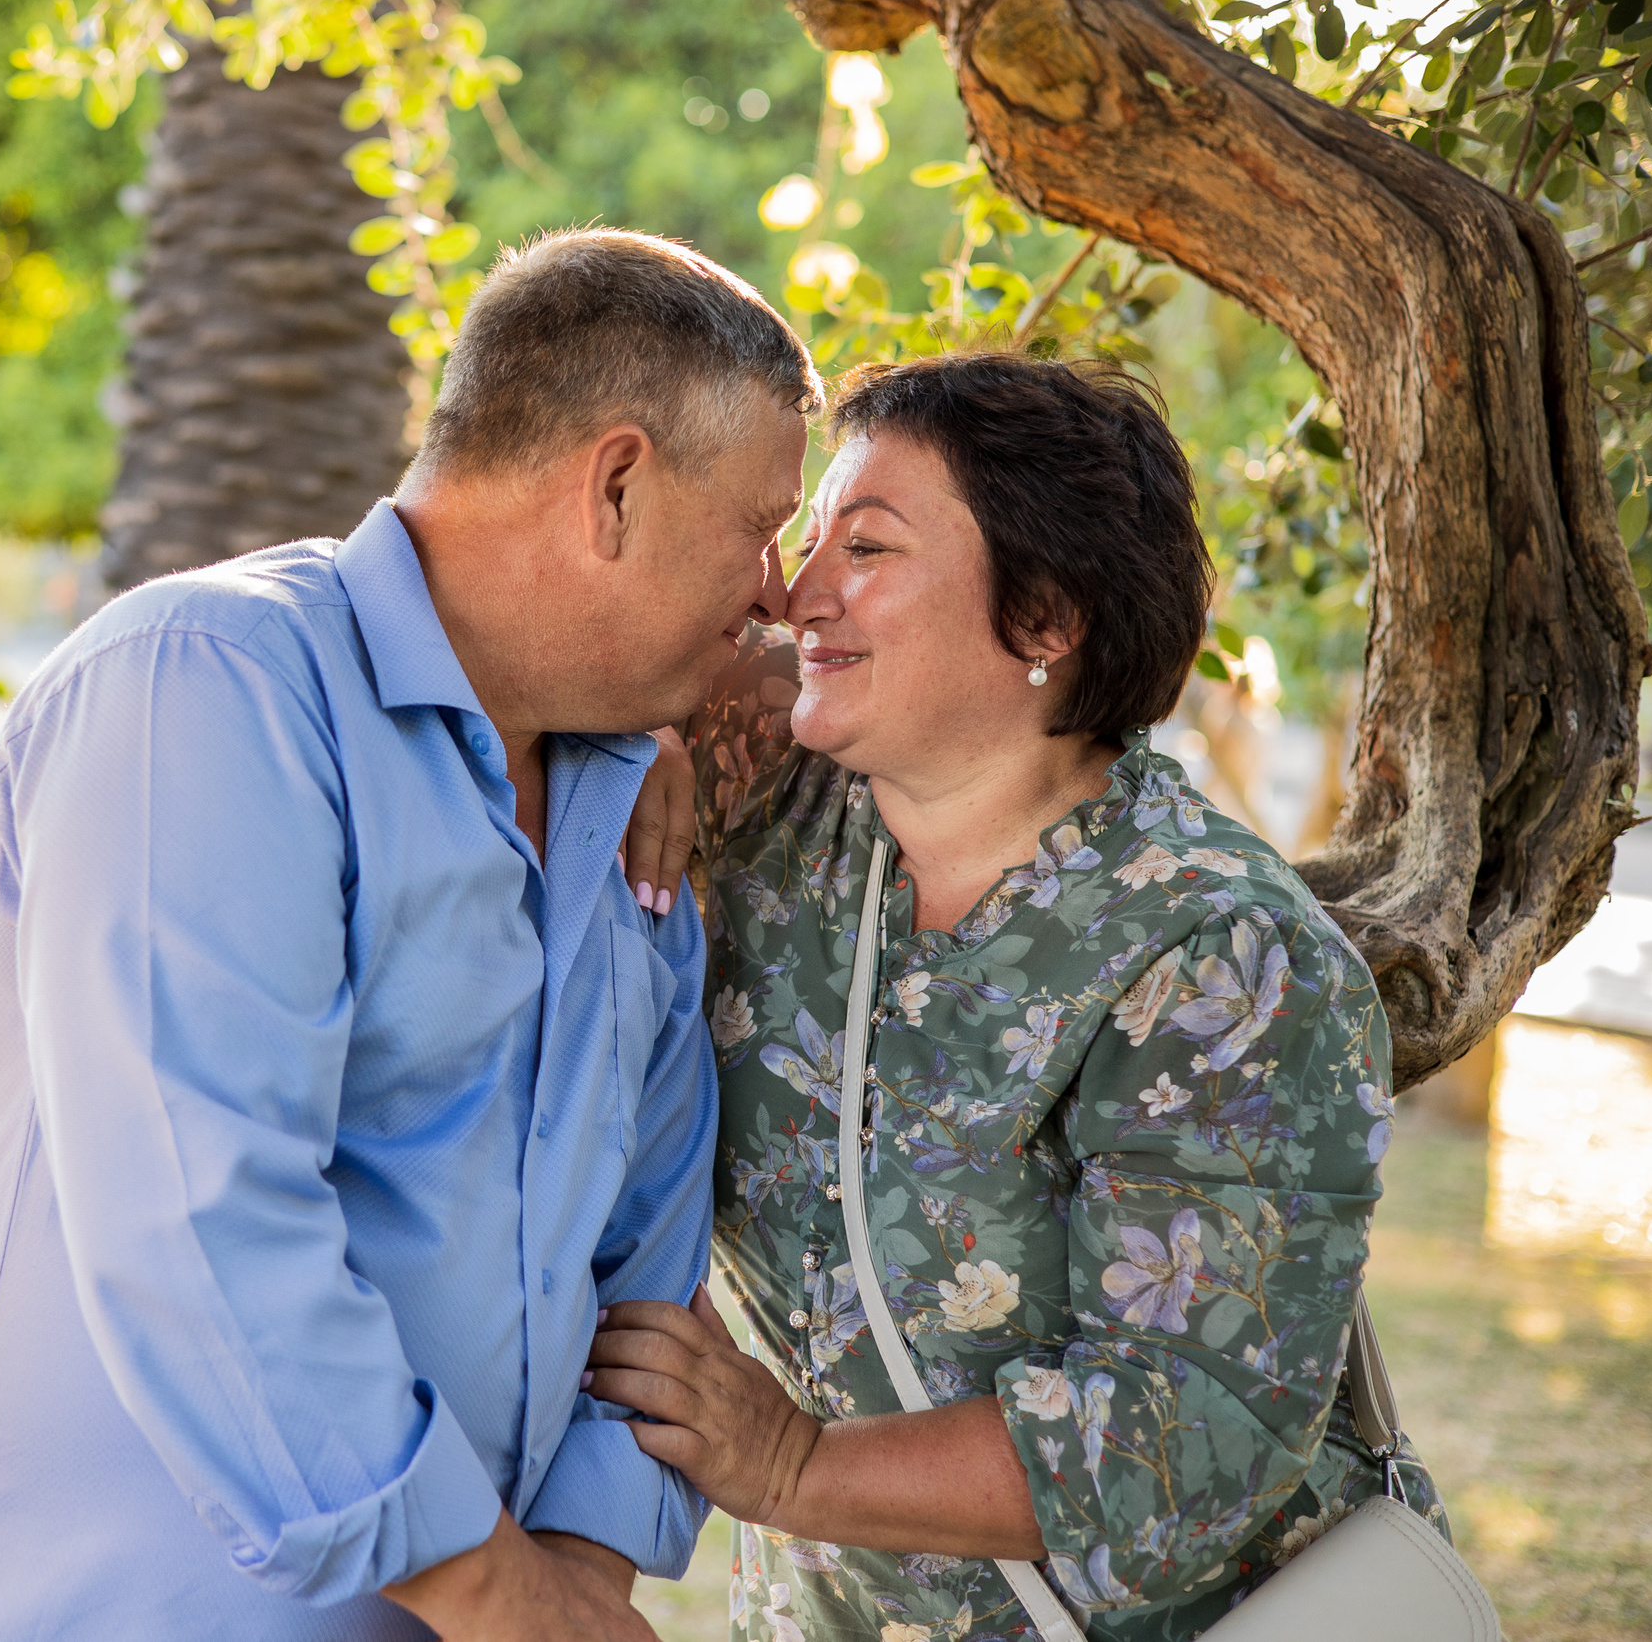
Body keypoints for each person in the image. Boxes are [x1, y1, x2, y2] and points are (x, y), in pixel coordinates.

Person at [0, 229, 823, 1641]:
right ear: (613, 488)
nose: (776, 588)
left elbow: (643, 1261)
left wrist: (580, 1580)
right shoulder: (206, 689)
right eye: (758, 527)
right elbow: (200, 1211)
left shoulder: (621, 810)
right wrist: (498, 1596)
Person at [587, 352, 1449, 1640]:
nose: (798, 590)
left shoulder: (1218, 959)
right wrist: (618, 745)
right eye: (809, 537)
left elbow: (1190, 1440)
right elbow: (541, 671)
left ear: (1046, 619)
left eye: (866, 549)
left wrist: (791, 1469)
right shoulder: (782, 776)